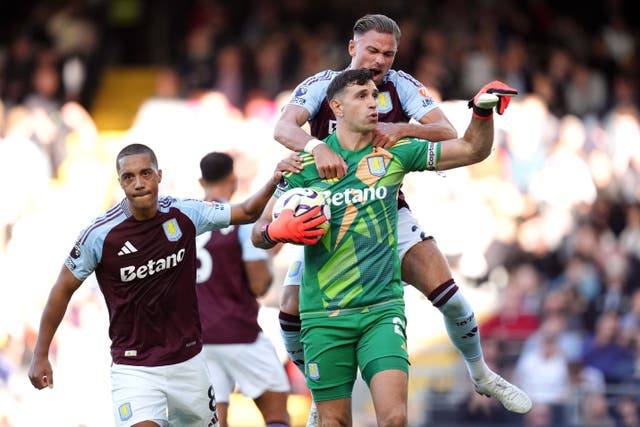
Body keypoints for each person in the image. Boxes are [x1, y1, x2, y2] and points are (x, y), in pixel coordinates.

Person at [273, 13, 530, 422]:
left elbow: (448, 133)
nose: (379, 60)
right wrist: (315, 149)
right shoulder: (322, 84)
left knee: (448, 292)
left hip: (383, 206)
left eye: (388, 54)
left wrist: (404, 130)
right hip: (329, 215)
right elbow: (283, 127)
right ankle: (320, 395)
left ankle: (481, 374)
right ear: (352, 47)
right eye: (372, 50)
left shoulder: (403, 86)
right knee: (288, 309)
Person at [27, 143, 293, 427]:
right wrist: (40, 353)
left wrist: (275, 181)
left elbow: (248, 212)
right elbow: (62, 288)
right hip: (134, 367)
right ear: (120, 183)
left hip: (188, 362)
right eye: (129, 177)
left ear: (159, 175)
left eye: (145, 173)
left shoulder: (185, 213)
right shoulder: (100, 235)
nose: (139, 183)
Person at [195, 152, 290, 427]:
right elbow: (258, 283)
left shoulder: (185, 221)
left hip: (198, 339)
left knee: (214, 420)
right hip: (239, 333)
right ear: (233, 180)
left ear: (201, 181)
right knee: (276, 413)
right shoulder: (238, 219)